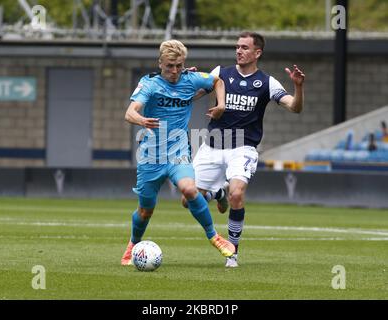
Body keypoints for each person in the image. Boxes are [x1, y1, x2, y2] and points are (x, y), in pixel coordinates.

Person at [186, 31, 305, 267]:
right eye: (237, 47)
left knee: (238, 194)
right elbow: (194, 94)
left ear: (257, 52)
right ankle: (218, 194)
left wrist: (298, 88)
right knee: (188, 199)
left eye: (244, 47)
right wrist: (187, 82)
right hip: (212, 145)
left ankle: (232, 252)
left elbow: (294, 107)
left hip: (243, 147)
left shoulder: (267, 82)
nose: (238, 51)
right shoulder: (220, 73)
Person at [121, 39, 235, 266]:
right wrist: (142, 120)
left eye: (179, 66)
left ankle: (214, 236)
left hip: (178, 150)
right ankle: (133, 244)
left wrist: (221, 104)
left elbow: (218, 81)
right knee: (145, 211)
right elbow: (130, 112)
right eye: (170, 66)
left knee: (189, 189)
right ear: (160, 62)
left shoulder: (191, 79)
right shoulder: (150, 84)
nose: (174, 71)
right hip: (150, 156)